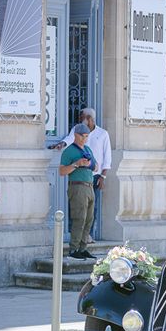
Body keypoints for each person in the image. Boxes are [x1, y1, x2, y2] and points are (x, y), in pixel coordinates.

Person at [53, 108, 112, 242]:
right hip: (78, 175)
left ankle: (87, 235)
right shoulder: (77, 129)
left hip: (95, 176)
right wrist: (61, 144)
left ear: (90, 119)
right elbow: (69, 140)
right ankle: (74, 237)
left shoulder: (103, 134)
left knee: (92, 208)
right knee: (77, 207)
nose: (80, 119)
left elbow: (107, 157)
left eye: (83, 117)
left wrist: (103, 176)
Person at [58, 123, 98, 259]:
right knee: (79, 218)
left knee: (89, 219)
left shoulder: (87, 149)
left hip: (90, 186)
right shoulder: (69, 151)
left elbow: (96, 167)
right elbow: (62, 171)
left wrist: (90, 164)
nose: (84, 139)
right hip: (77, 187)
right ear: (75, 135)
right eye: (82, 136)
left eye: (87, 137)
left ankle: (83, 248)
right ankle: (74, 249)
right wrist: (77, 164)